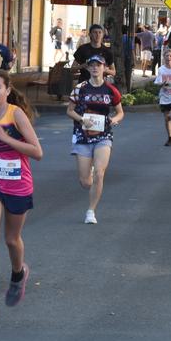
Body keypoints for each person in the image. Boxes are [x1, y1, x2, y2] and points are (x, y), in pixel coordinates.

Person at [0, 70, 42, 320]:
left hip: (17, 183)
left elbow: (37, 152)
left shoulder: (16, 114)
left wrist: (5, 137)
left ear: (7, 90)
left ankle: (18, 273)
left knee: (12, 240)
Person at [67, 54, 124, 224]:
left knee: (100, 172)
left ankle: (91, 211)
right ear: (88, 68)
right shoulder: (80, 88)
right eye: (91, 65)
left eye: (98, 65)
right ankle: (88, 175)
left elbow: (120, 112)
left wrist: (114, 119)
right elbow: (69, 110)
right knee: (85, 181)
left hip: (103, 135)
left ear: (104, 68)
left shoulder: (110, 90)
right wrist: (82, 119)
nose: (94, 68)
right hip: (82, 135)